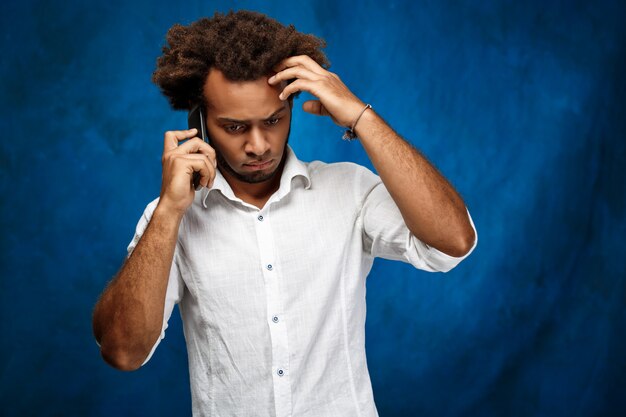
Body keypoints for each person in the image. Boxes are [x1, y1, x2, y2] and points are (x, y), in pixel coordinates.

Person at [92, 10, 477, 417]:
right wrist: (170, 210)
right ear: (199, 123)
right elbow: (122, 351)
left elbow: (453, 242)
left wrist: (361, 117)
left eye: (273, 120)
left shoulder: (348, 189)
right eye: (235, 127)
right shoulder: (170, 217)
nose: (259, 145)